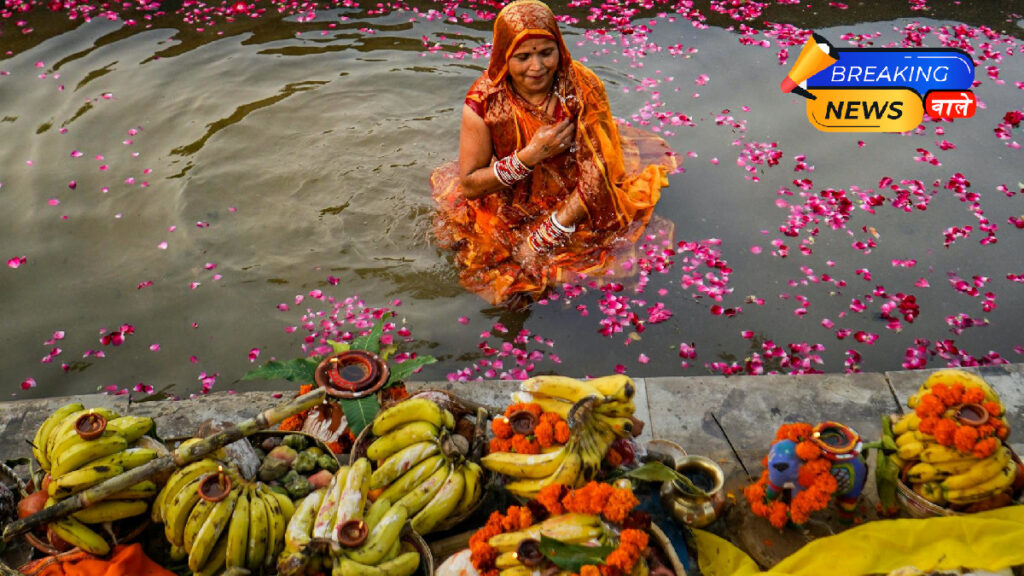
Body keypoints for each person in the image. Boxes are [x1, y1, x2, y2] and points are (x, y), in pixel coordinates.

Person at [431, 0, 677, 306]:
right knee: (501, 282)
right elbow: (469, 184)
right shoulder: (484, 101)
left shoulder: (582, 88)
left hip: (575, 193)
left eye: (546, 53)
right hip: (510, 195)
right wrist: (529, 157)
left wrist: (542, 238)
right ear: (504, 57)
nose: (537, 67)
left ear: (560, 48)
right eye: (523, 57)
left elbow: (596, 174)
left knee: (582, 261)